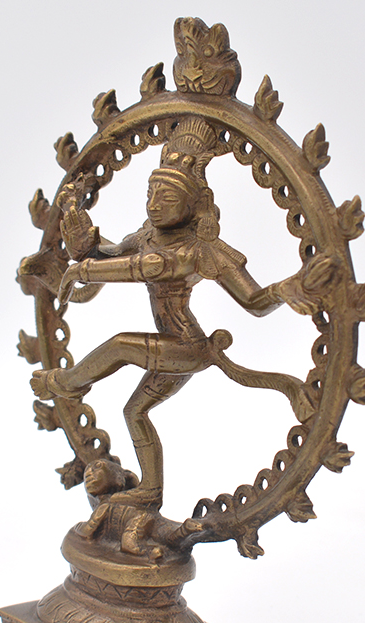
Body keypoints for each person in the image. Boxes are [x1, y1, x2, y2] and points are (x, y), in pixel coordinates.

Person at [31, 117, 331, 518]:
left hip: (186, 346)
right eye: (151, 194)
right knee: (134, 412)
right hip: (173, 349)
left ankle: (67, 383)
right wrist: (80, 231)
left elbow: (253, 301)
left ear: (193, 205)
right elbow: (110, 255)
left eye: (167, 198)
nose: (155, 204)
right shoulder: (147, 237)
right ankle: (150, 491)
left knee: (120, 345)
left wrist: (286, 289)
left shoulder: (199, 251)